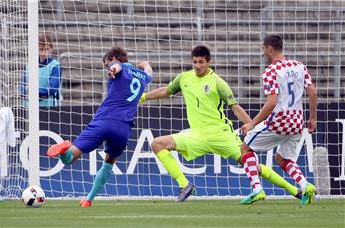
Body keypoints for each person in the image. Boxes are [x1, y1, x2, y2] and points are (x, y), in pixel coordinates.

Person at [140, 45, 301, 202]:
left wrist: (252, 125)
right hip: (197, 136)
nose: (197, 66)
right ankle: (185, 185)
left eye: (201, 62)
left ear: (208, 62)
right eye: (195, 62)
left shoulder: (218, 82)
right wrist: (143, 97)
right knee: (157, 144)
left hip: (222, 135)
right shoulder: (184, 78)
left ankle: (294, 190)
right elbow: (165, 91)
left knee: (253, 166)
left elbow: (235, 108)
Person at [47, 47, 153, 207]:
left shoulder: (117, 66)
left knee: (69, 158)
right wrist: (145, 64)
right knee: (109, 163)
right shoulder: (143, 76)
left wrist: (113, 70)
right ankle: (88, 199)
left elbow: (115, 67)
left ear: (114, 58)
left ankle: (64, 150)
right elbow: (150, 74)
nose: (107, 69)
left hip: (104, 121)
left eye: (106, 65)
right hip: (123, 128)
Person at [239, 35, 317, 205]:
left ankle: (257, 189)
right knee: (283, 159)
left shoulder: (270, 71)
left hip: (280, 120)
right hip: (298, 121)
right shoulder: (299, 66)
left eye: (263, 49)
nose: (263, 53)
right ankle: (306, 185)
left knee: (245, 148)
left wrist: (252, 123)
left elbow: (272, 102)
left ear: (269, 49)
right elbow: (312, 92)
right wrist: (312, 118)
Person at [20, 33, 62, 107]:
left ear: (51, 48)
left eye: (46, 49)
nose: (44, 53)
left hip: (48, 107)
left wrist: (33, 90)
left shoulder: (55, 66)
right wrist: (25, 91)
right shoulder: (29, 66)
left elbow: (52, 89)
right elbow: (22, 87)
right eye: (41, 49)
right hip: (29, 106)